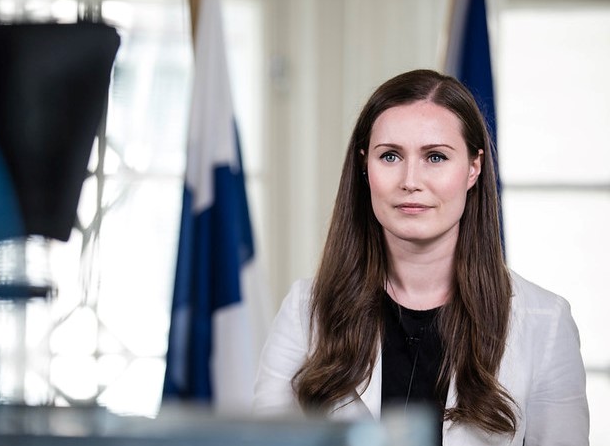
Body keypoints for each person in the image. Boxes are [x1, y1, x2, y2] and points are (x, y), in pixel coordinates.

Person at [252, 69, 589, 445]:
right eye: (390, 156)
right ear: (365, 165)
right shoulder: (304, 311)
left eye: (436, 157)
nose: (410, 181)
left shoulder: (545, 321)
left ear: (473, 168)